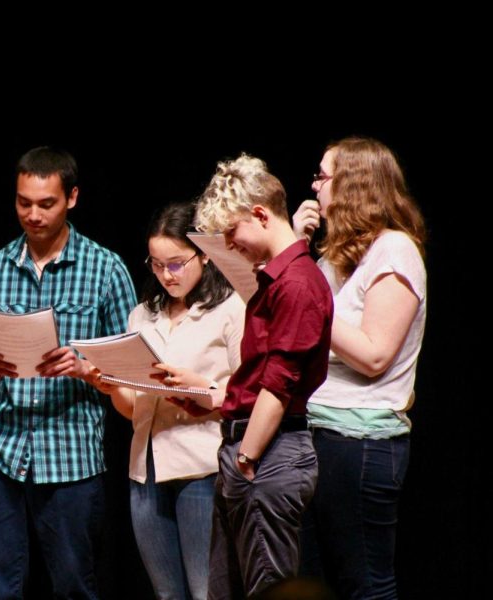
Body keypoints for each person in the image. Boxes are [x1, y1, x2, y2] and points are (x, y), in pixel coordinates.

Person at [0, 146, 136, 599]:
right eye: (23, 202)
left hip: (70, 449)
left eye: (46, 203)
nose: (33, 215)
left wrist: (84, 369)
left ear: (71, 198)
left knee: (74, 585)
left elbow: (130, 371)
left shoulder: (106, 269)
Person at [194, 153, 333, 599]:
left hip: (268, 454)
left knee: (268, 590)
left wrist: (247, 459)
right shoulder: (280, 278)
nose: (231, 245)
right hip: (252, 452)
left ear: (259, 214)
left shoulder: (296, 283)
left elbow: (279, 383)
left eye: (232, 233)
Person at [294, 137, 426, 600]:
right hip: (318, 433)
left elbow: (373, 354)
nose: (314, 186)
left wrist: (301, 292)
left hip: (363, 443)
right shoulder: (335, 256)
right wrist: (296, 254)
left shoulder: (395, 250)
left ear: (353, 184)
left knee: (364, 583)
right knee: (311, 580)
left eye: (322, 175)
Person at [102, 202, 244, 599]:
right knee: (167, 594)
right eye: (157, 264)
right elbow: (132, 408)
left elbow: (249, 389)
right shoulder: (142, 316)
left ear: (203, 255)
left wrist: (200, 387)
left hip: (201, 466)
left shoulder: (230, 308)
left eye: (177, 263)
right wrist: (111, 384)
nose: (167, 275)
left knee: (205, 592)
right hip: (145, 469)